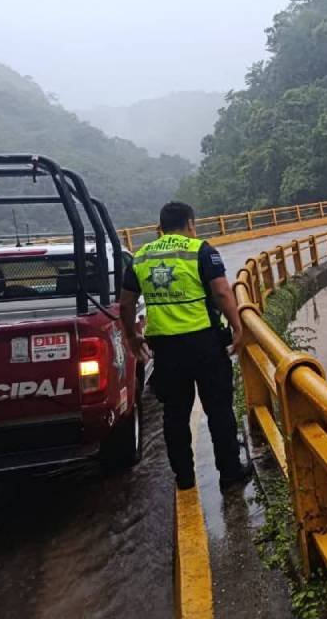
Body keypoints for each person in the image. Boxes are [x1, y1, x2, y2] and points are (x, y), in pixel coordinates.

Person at [119, 201, 253, 491]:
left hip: (165, 349)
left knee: (175, 414)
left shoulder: (140, 258)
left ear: (160, 228)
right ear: (191, 224)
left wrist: (131, 336)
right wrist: (238, 327)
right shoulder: (201, 250)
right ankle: (230, 473)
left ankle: (184, 478)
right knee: (218, 408)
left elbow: (126, 303)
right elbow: (221, 291)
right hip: (204, 342)